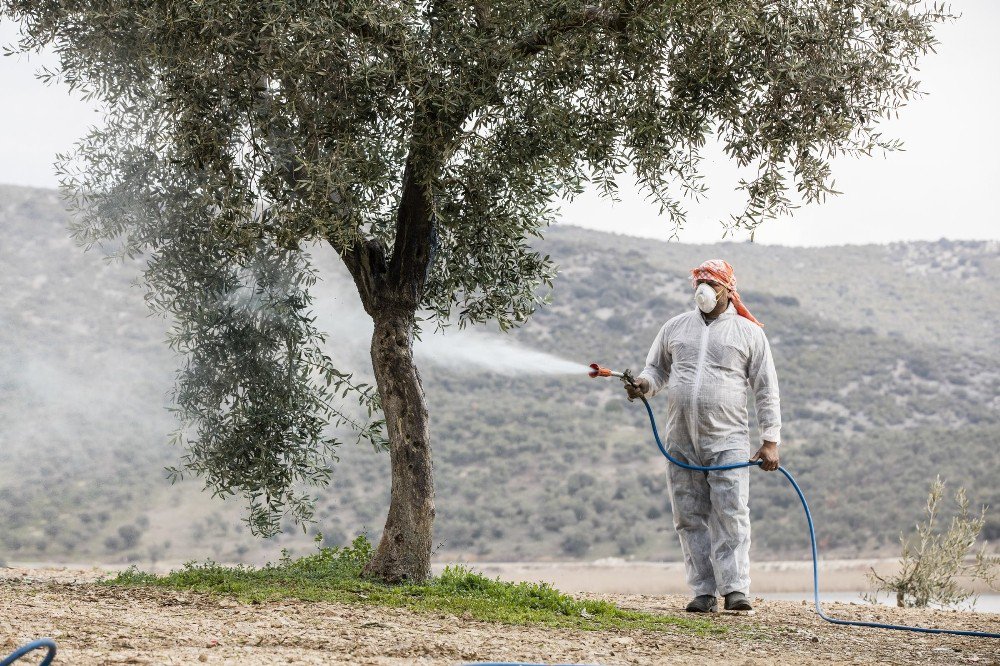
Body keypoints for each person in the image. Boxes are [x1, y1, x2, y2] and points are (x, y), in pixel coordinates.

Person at [625, 259, 781, 613]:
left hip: (728, 439)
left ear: (728, 289)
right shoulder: (675, 328)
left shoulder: (749, 333)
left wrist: (770, 440)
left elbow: (765, 389)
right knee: (689, 515)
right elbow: (655, 370)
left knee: (731, 511)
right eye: (699, 282)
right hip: (680, 438)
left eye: (712, 283)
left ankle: (736, 589)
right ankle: (703, 592)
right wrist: (643, 386)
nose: (704, 290)